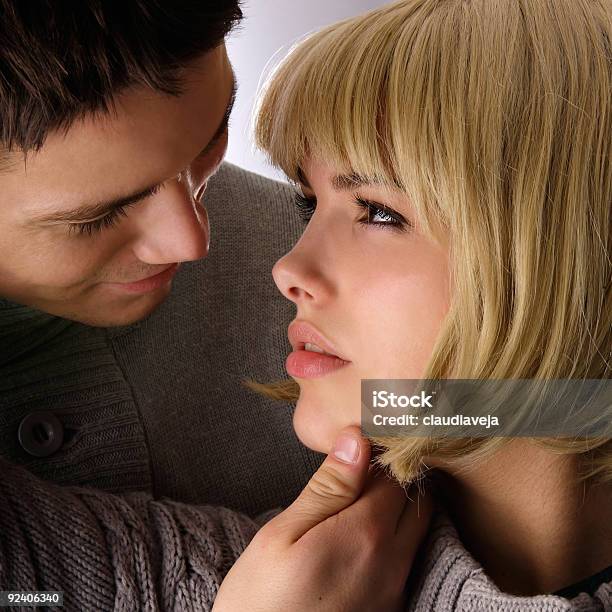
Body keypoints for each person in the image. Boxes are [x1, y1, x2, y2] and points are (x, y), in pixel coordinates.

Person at [0, 1, 433, 610]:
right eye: (99, 216)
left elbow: (570, 406)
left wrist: (473, 405)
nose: (194, 241)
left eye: (210, 142)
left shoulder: (330, 275)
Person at [212, 0, 612, 609]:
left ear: (565, 254)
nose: (288, 269)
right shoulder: (234, 576)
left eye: (377, 212)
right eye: (307, 202)